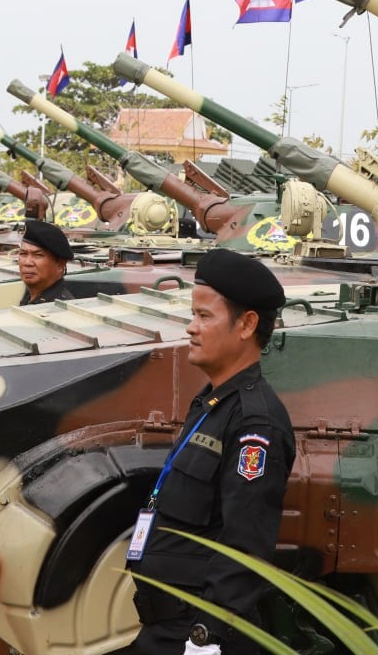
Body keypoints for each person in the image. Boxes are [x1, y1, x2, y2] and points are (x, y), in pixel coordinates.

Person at [127, 249, 295, 655]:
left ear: (247, 324)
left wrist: (206, 637)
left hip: (195, 630)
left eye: (204, 316)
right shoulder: (213, 402)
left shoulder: (255, 423)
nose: (191, 327)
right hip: (165, 624)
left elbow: (246, 543)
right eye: (193, 315)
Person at [16, 219, 75, 305]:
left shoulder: (59, 308)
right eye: (23, 254)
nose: (27, 262)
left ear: (60, 265)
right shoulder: (30, 297)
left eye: (38, 255)